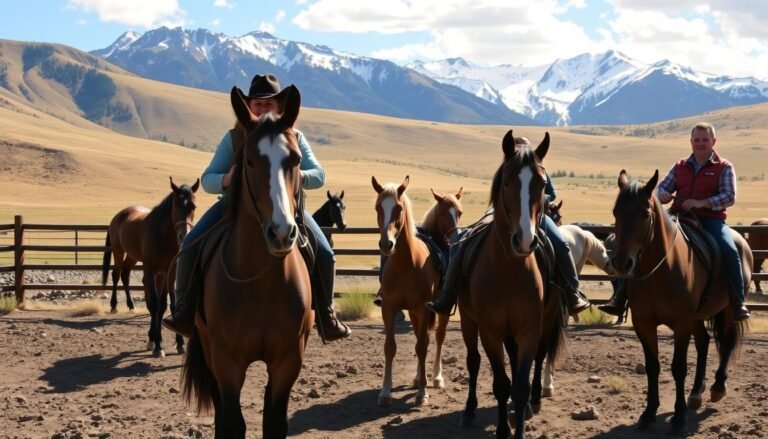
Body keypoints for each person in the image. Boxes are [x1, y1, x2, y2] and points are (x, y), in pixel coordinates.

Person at [162, 73, 352, 341]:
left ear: (279, 106)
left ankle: (327, 315)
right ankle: (183, 312)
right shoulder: (234, 137)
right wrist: (228, 178)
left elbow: (319, 175)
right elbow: (208, 180)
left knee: (325, 254)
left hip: (287, 207)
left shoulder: (295, 135)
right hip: (233, 207)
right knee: (191, 243)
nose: (263, 107)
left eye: (269, 103)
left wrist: (291, 174)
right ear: (249, 106)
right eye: (258, 103)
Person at [600, 122, 750, 321]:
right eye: (697, 139)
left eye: (705, 140)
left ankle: (737, 301)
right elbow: (663, 188)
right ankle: (620, 297)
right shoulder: (680, 166)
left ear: (713, 141)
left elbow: (729, 196)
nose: (700, 143)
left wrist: (702, 202)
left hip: (711, 220)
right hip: (678, 216)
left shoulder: (724, 167)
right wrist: (662, 196)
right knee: (642, 245)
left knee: (730, 248)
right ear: (691, 141)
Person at [426, 136, 590, 316]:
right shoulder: (506, 168)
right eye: (518, 149)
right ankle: (448, 293)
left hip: (535, 214)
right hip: (503, 213)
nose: (521, 153)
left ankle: (572, 292)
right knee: (464, 240)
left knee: (560, 243)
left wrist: (538, 200)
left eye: (524, 150)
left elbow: (551, 192)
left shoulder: (537, 167)